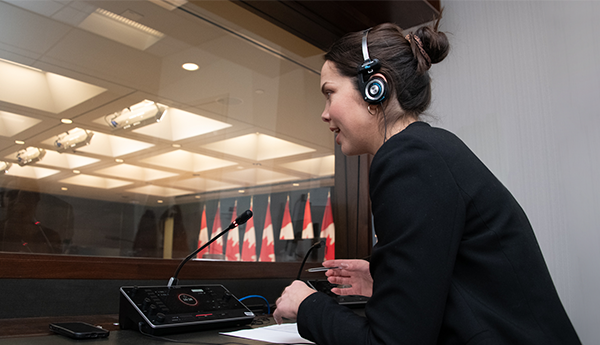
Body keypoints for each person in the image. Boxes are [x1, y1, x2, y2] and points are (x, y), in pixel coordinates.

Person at [273, 17, 581, 345]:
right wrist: (384, 280)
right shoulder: (427, 151)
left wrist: (307, 305)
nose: (324, 113)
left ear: (374, 87)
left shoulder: (409, 160)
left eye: (330, 93)